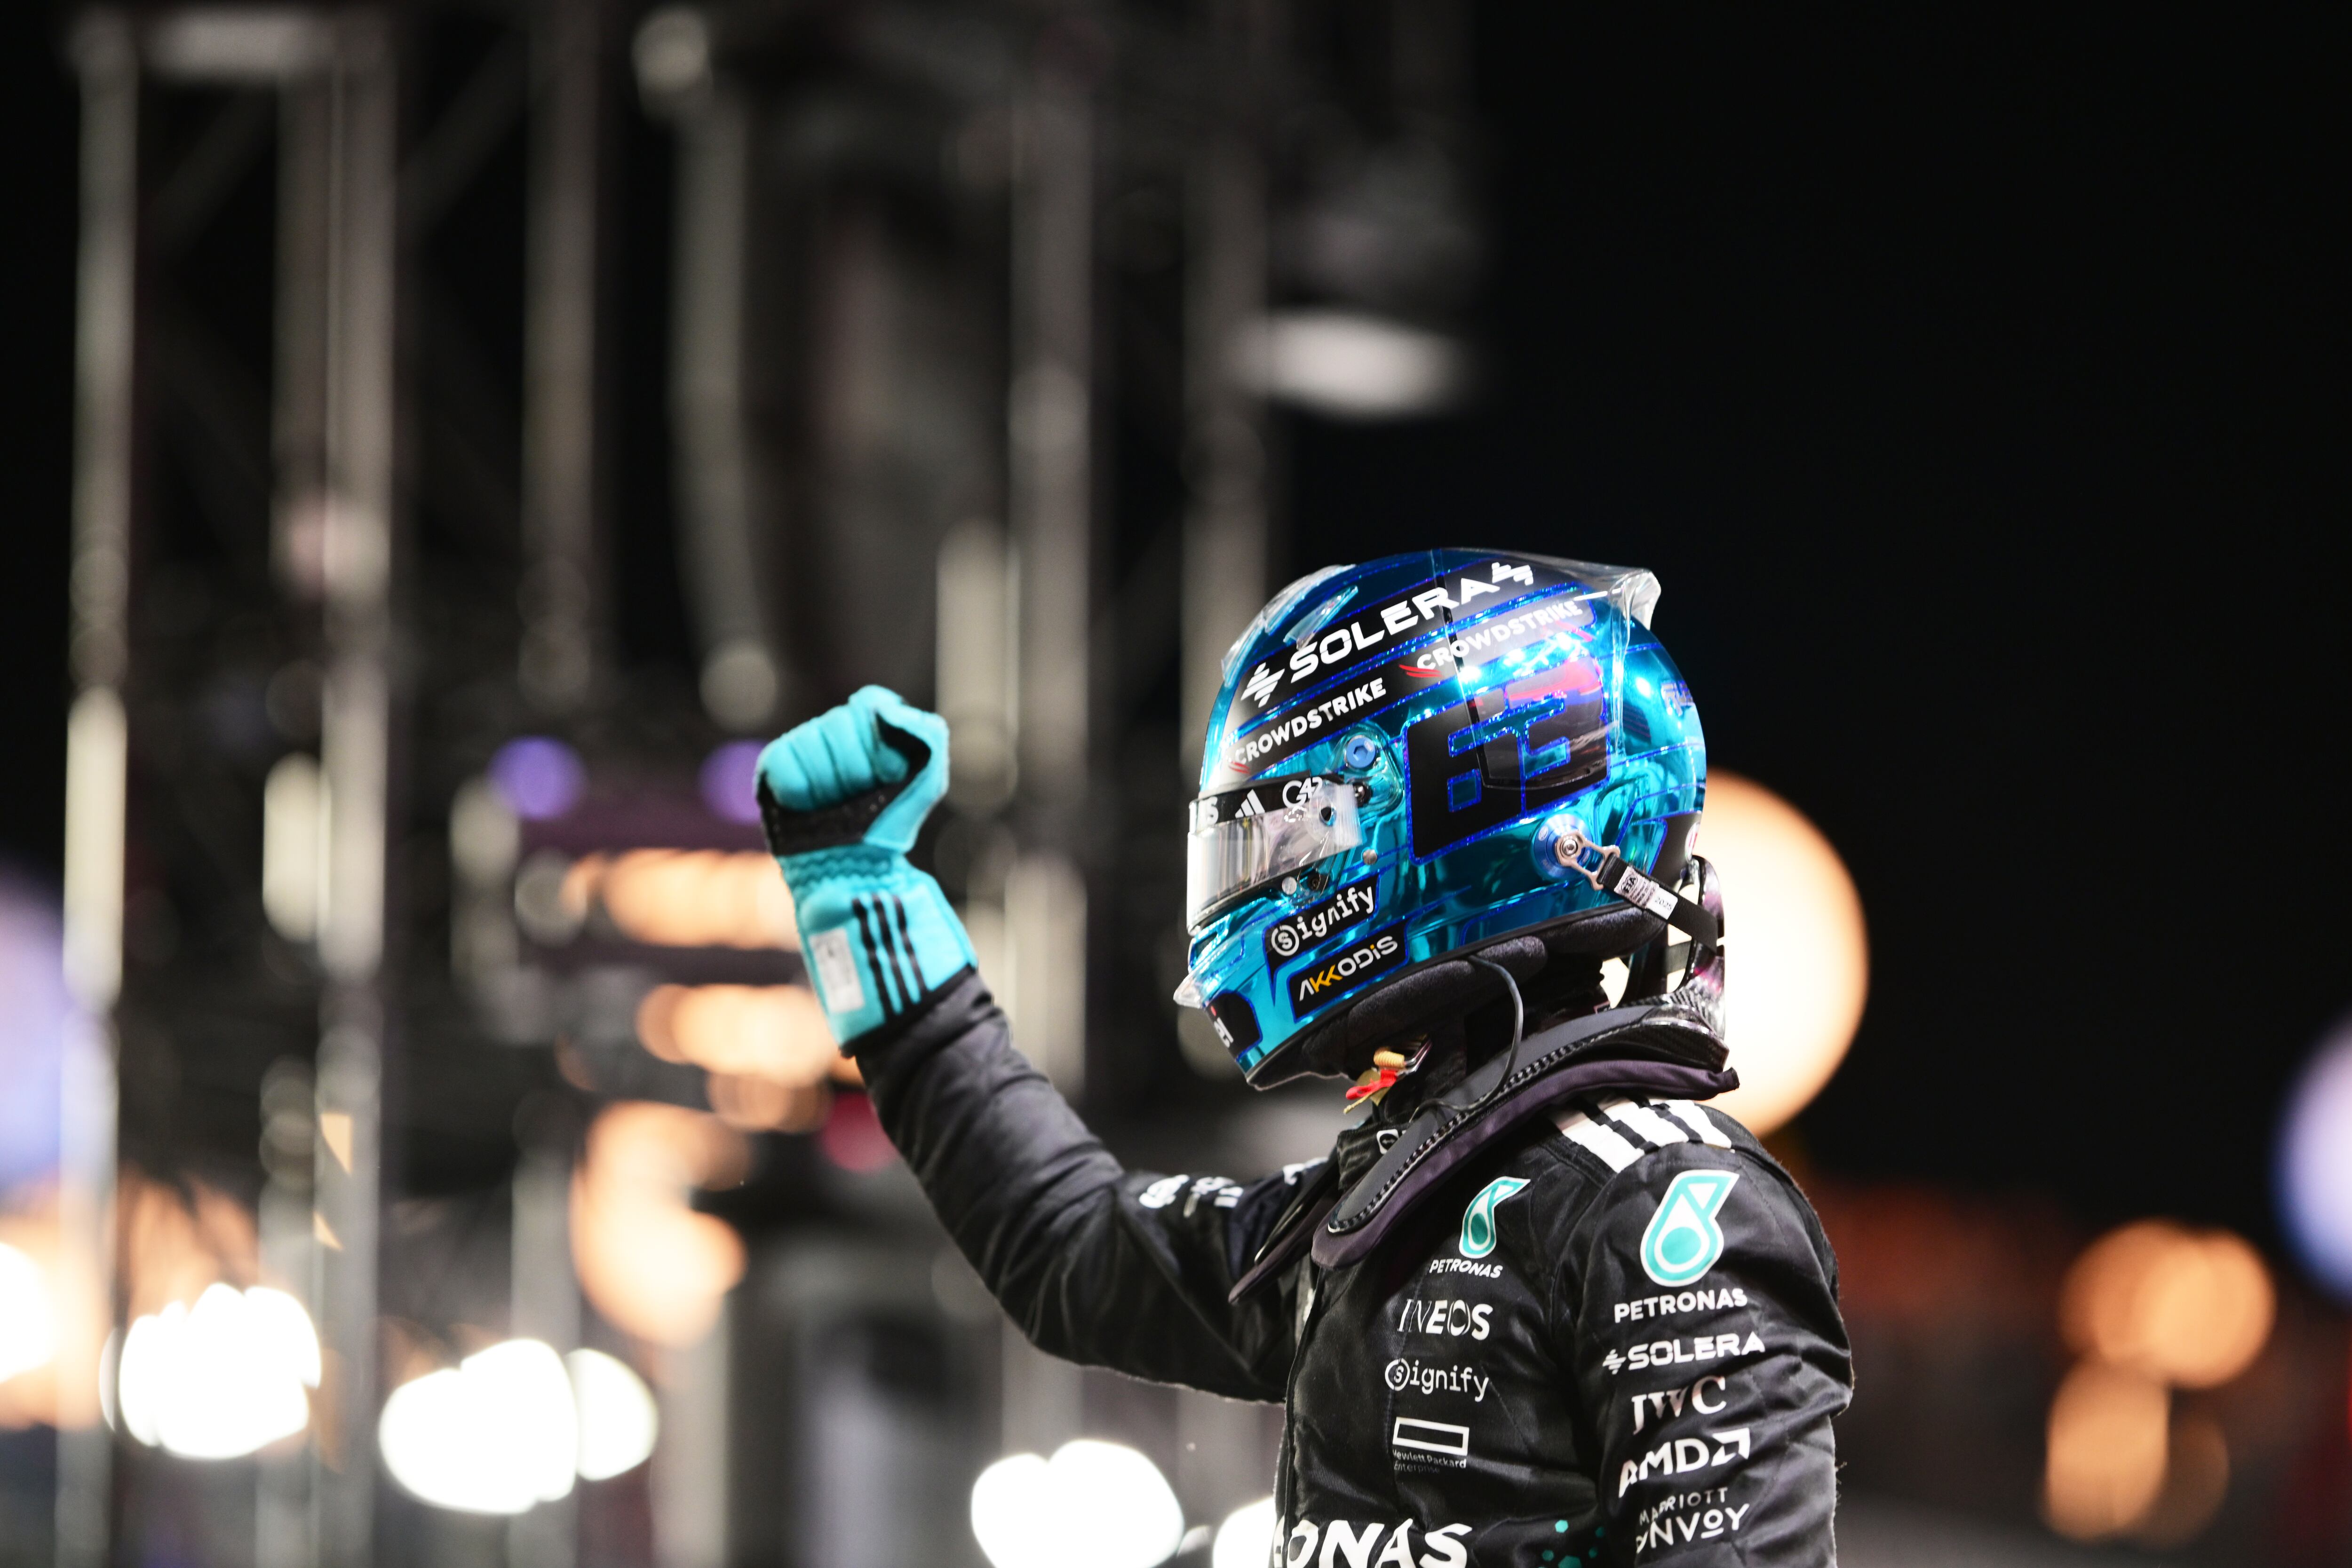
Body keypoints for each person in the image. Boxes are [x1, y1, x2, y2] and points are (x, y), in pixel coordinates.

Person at [757, 549, 1851, 1566]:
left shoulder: (1664, 1201)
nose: (1265, 881)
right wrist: (864, 904)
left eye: (1292, 835)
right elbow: (1064, 1247)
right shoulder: (1395, 1200)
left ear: (1470, 799)